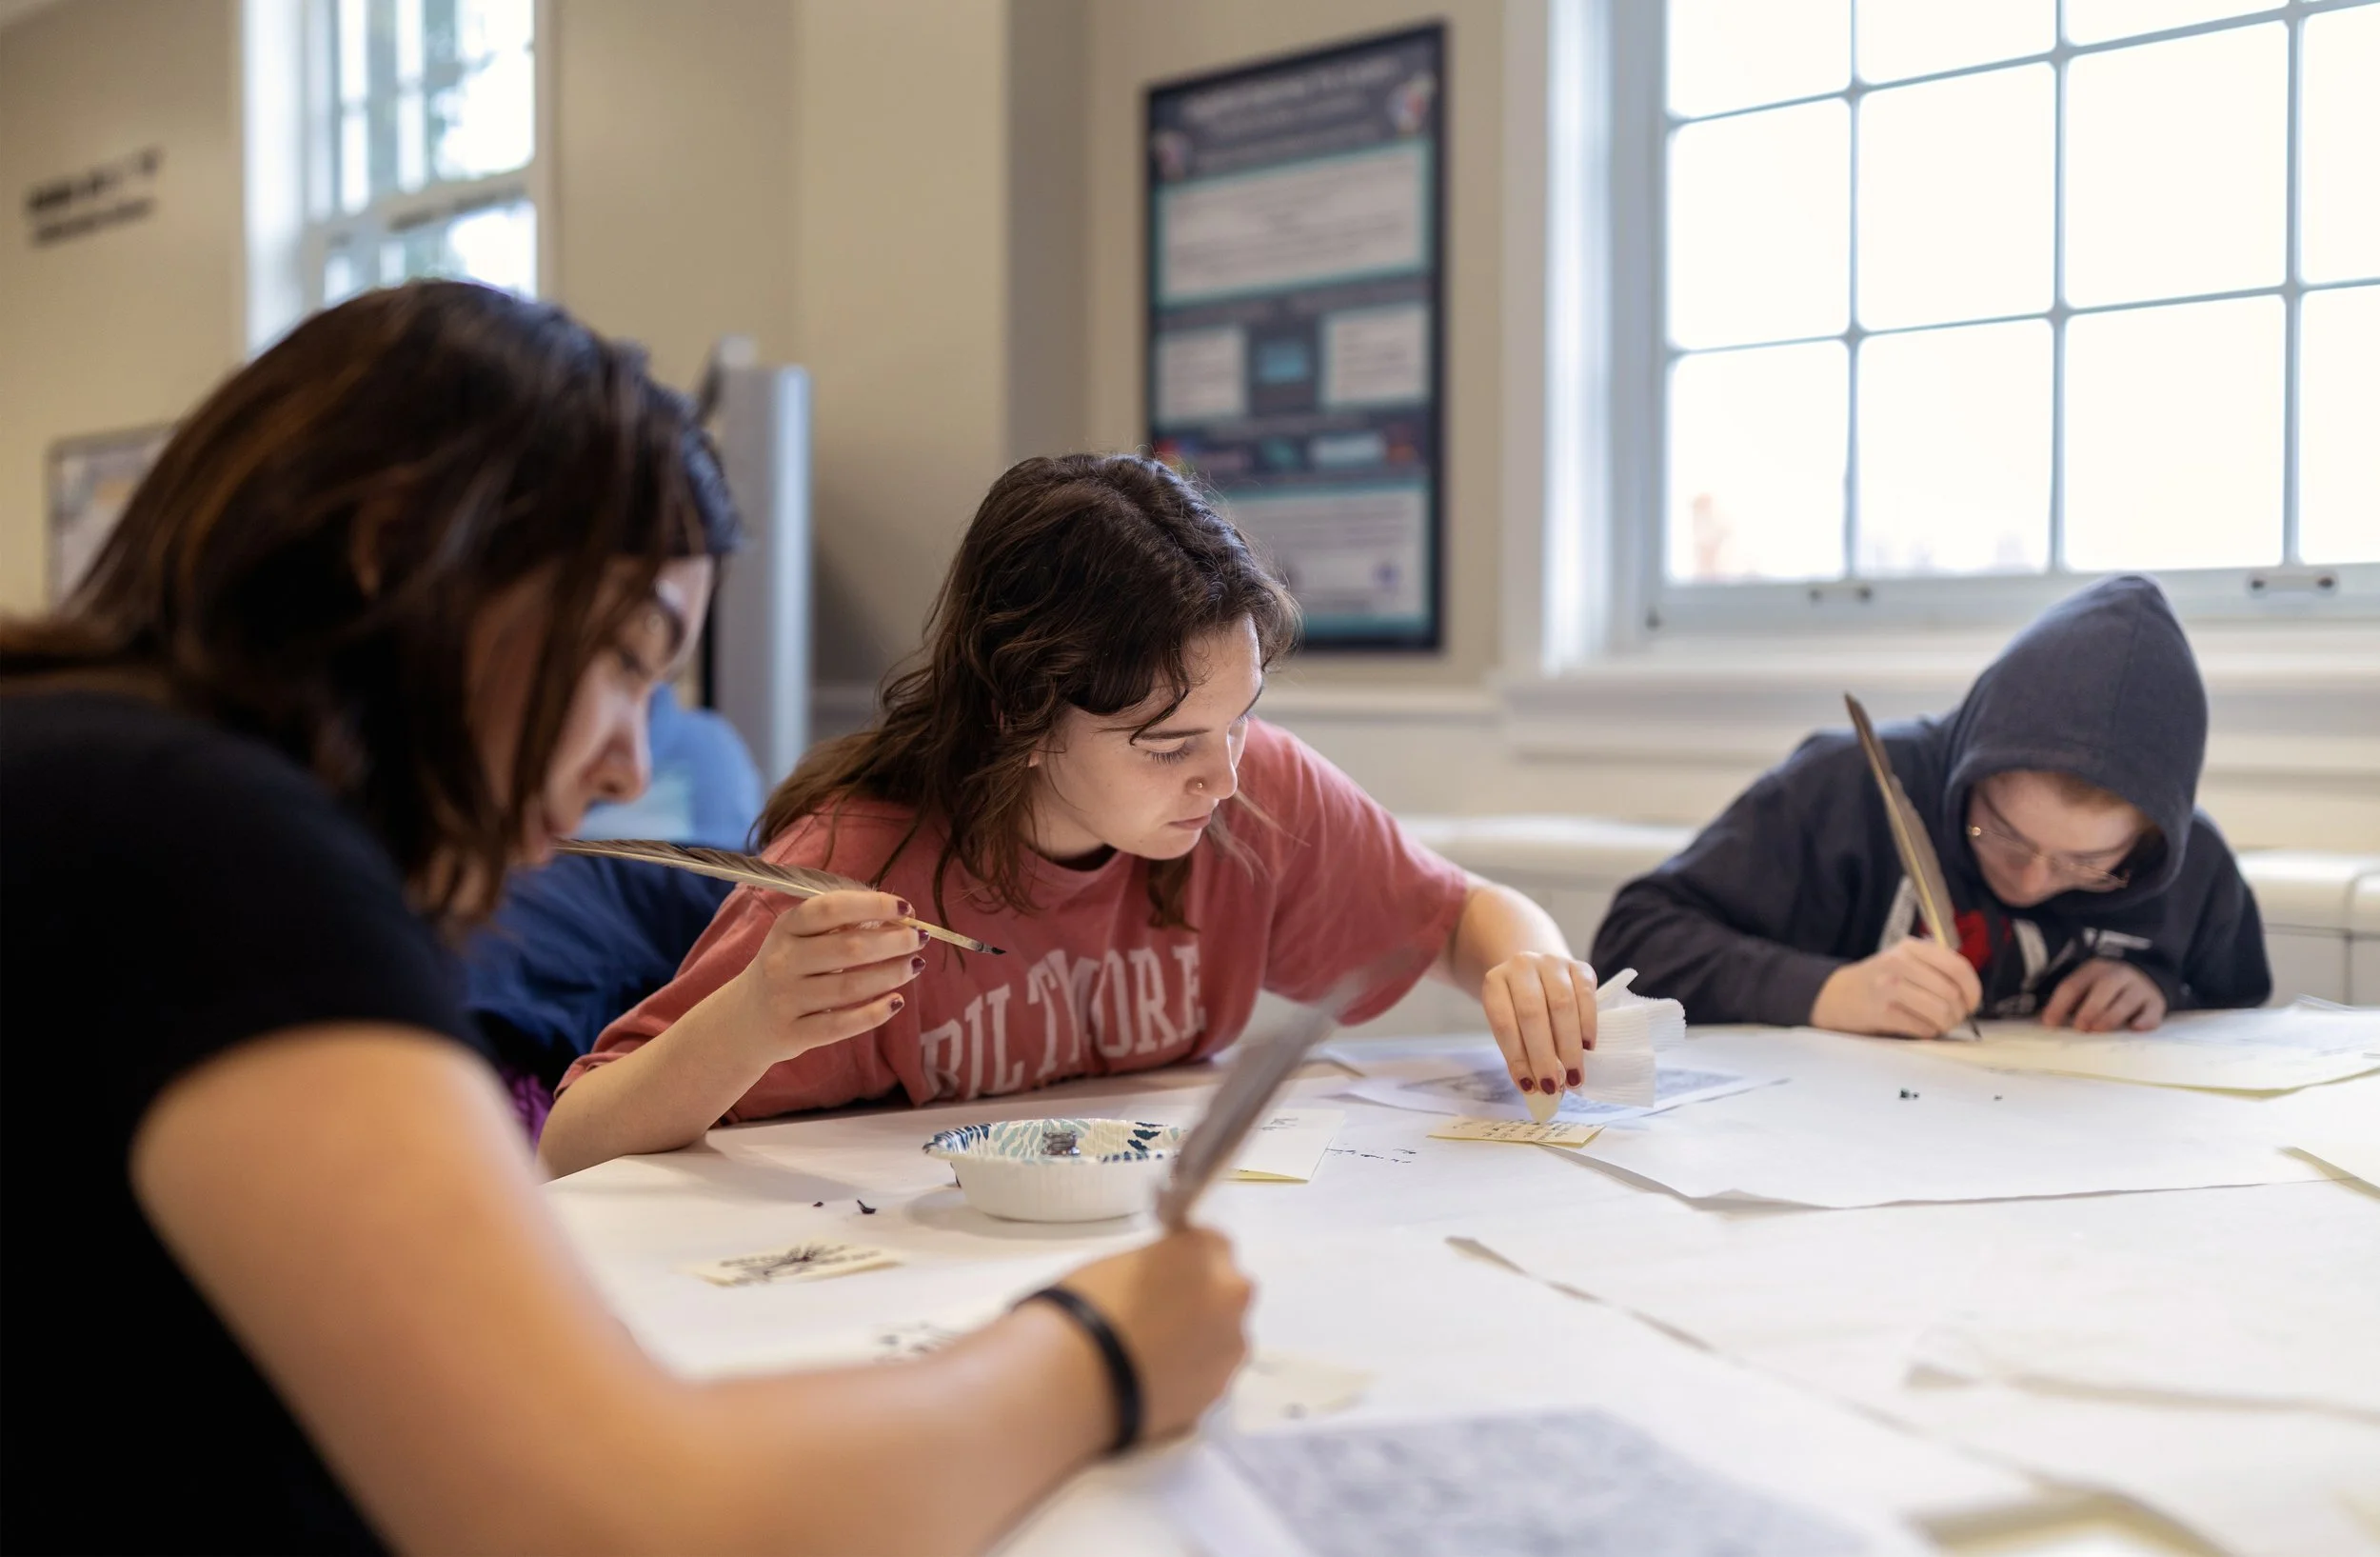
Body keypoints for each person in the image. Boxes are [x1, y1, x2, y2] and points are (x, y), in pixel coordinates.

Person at [0, 283, 1248, 1556]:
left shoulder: (93, 765)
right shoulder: (208, 842)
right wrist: (1100, 1352)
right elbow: (618, 1516)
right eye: (620, 659)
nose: (625, 760)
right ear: (392, 544)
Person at [537, 453, 1601, 1177]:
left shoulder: (1252, 791)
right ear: (1021, 713)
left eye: (1240, 722)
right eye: (1167, 742)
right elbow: (573, 1143)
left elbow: (1462, 917)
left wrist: (1532, 959)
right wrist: (755, 1020)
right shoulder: (866, 864)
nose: (1221, 777)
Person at [1589, 575, 2271, 1038]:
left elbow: (2239, 1006)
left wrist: (2160, 989)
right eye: (1999, 832)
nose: (2031, 881)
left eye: (2088, 863)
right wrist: (1829, 993)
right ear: (1970, 765)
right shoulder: (1847, 790)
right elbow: (1632, 941)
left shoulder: (2189, 862)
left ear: (2150, 842)